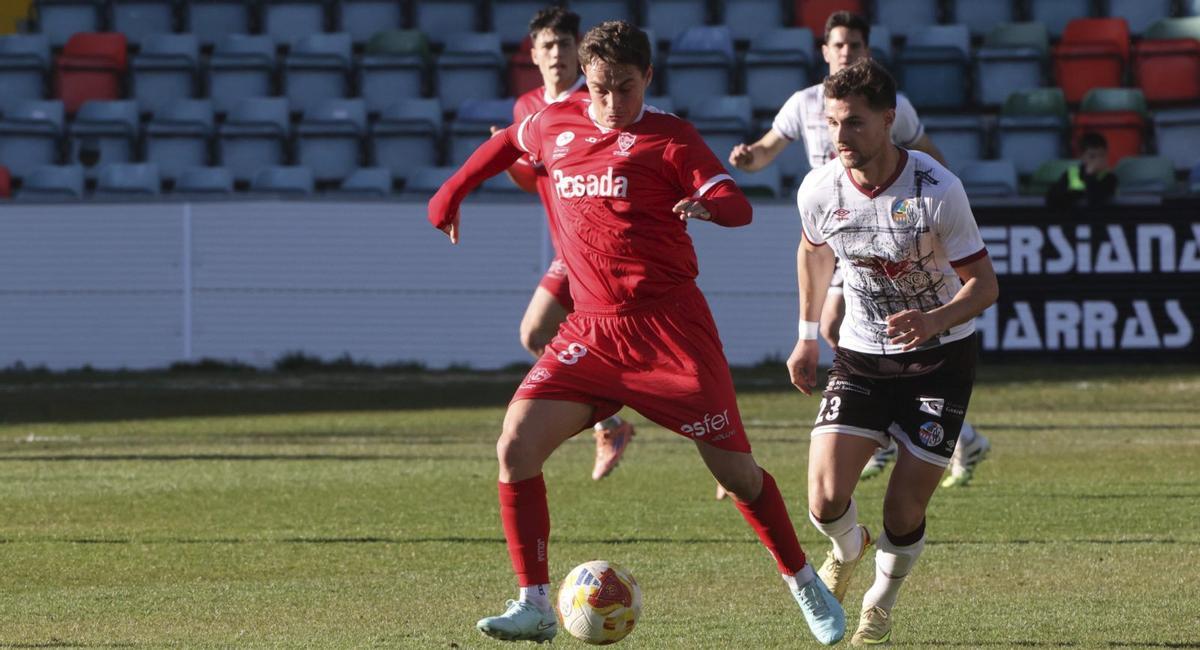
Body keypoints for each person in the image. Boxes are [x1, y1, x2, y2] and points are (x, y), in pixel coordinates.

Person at [428, 20, 846, 646]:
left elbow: (738, 206)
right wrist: (452, 191)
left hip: (671, 333)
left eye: (625, 87)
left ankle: (803, 580)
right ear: (585, 79)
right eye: (601, 88)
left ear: (647, 78)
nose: (612, 101)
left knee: (738, 476)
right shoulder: (554, 122)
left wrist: (708, 205)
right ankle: (534, 603)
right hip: (592, 331)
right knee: (514, 445)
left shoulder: (670, 138)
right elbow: (508, 144)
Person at [727, 11, 990, 487]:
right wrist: (748, 160)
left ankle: (897, 429)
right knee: (835, 327)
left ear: (866, 52)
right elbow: (766, 150)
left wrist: (936, 204)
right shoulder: (803, 103)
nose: (845, 52)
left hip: (890, 227)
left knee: (844, 326)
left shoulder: (894, 105)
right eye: (838, 44)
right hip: (842, 227)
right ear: (824, 51)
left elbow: (930, 157)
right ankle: (891, 429)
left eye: (854, 45)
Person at [789, 59, 999, 645]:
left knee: (903, 511)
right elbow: (813, 253)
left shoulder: (938, 188)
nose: (840, 136)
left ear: (888, 120)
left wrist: (933, 319)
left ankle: (880, 601)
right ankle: (847, 549)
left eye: (854, 123)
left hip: (940, 360)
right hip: (861, 354)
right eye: (832, 123)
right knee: (824, 499)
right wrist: (806, 336)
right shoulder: (819, 188)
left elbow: (985, 285)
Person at [496, 6, 635, 482]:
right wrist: (506, 158)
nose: (557, 53)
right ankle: (612, 423)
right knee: (540, 335)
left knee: (644, 357)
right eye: (548, 45)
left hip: (606, 249)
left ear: (580, 51)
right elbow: (531, 177)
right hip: (570, 252)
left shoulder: (596, 101)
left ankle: (719, 445)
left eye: (565, 44)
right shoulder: (526, 107)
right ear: (533, 55)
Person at [1046, 131, 1118, 212]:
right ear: (1082, 156)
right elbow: (1053, 199)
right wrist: (1076, 192)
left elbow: (1095, 201)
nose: (1097, 160)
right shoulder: (1072, 173)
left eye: (1102, 155)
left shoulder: (1110, 177)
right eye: (1092, 156)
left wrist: (1090, 175)